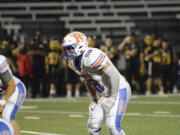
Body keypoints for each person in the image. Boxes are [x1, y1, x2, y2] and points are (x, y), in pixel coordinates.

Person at [62, 31, 131, 135]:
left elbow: (115, 76)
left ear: (80, 46)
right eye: (66, 49)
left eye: (70, 48)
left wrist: (112, 99)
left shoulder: (91, 56)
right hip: (103, 94)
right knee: (93, 127)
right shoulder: (72, 63)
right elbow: (88, 80)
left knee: (113, 127)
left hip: (118, 89)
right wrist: (94, 99)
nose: (67, 52)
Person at [0, 55, 26, 135]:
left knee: (7, 117)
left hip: (15, 90)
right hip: (2, 91)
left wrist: (2, 103)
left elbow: (11, 85)